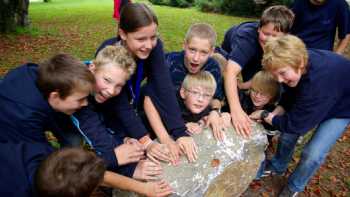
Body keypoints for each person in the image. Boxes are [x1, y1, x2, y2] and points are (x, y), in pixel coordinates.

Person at [96, 3, 197, 165]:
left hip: (131, 103)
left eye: (153, 37)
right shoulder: (108, 53)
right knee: (123, 153)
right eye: (141, 39)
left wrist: (179, 132)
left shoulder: (154, 49)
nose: (149, 45)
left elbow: (163, 87)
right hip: (106, 108)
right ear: (123, 34)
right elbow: (119, 104)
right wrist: (146, 141)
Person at [250, 35, 350, 196]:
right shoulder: (296, 61)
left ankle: (294, 186)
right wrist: (276, 113)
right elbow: (290, 94)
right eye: (276, 76)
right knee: (287, 137)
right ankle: (278, 165)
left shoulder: (315, 85)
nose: (280, 81)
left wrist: (265, 114)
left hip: (341, 107)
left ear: (301, 63)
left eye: (283, 74)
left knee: (313, 154)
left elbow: (296, 125)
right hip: (326, 91)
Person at [0, 54, 95, 196]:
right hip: (12, 134)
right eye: (80, 99)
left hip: (45, 111)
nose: (85, 103)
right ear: (55, 96)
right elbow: (43, 159)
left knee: (72, 139)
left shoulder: (48, 78)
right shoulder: (24, 118)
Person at [74, 45, 163, 181]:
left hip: (94, 115)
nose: (111, 90)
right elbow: (94, 131)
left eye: (118, 86)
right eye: (107, 80)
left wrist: (145, 142)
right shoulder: (79, 92)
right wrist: (129, 169)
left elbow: (125, 112)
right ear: (92, 68)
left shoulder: (109, 84)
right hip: (60, 119)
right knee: (71, 145)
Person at [217, 5, 294, 138]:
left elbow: (267, 74)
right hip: (236, 48)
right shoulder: (247, 39)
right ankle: (230, 111)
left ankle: (261, 124)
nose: (269, 39)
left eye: (274, 36)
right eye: (265, 33)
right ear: (259, 28)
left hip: (261, 56)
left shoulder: (286, 45)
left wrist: (244, 84)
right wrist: (236, 111)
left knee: (266, 84)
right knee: (228, 82)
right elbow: (230, 72)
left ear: (285, 36)